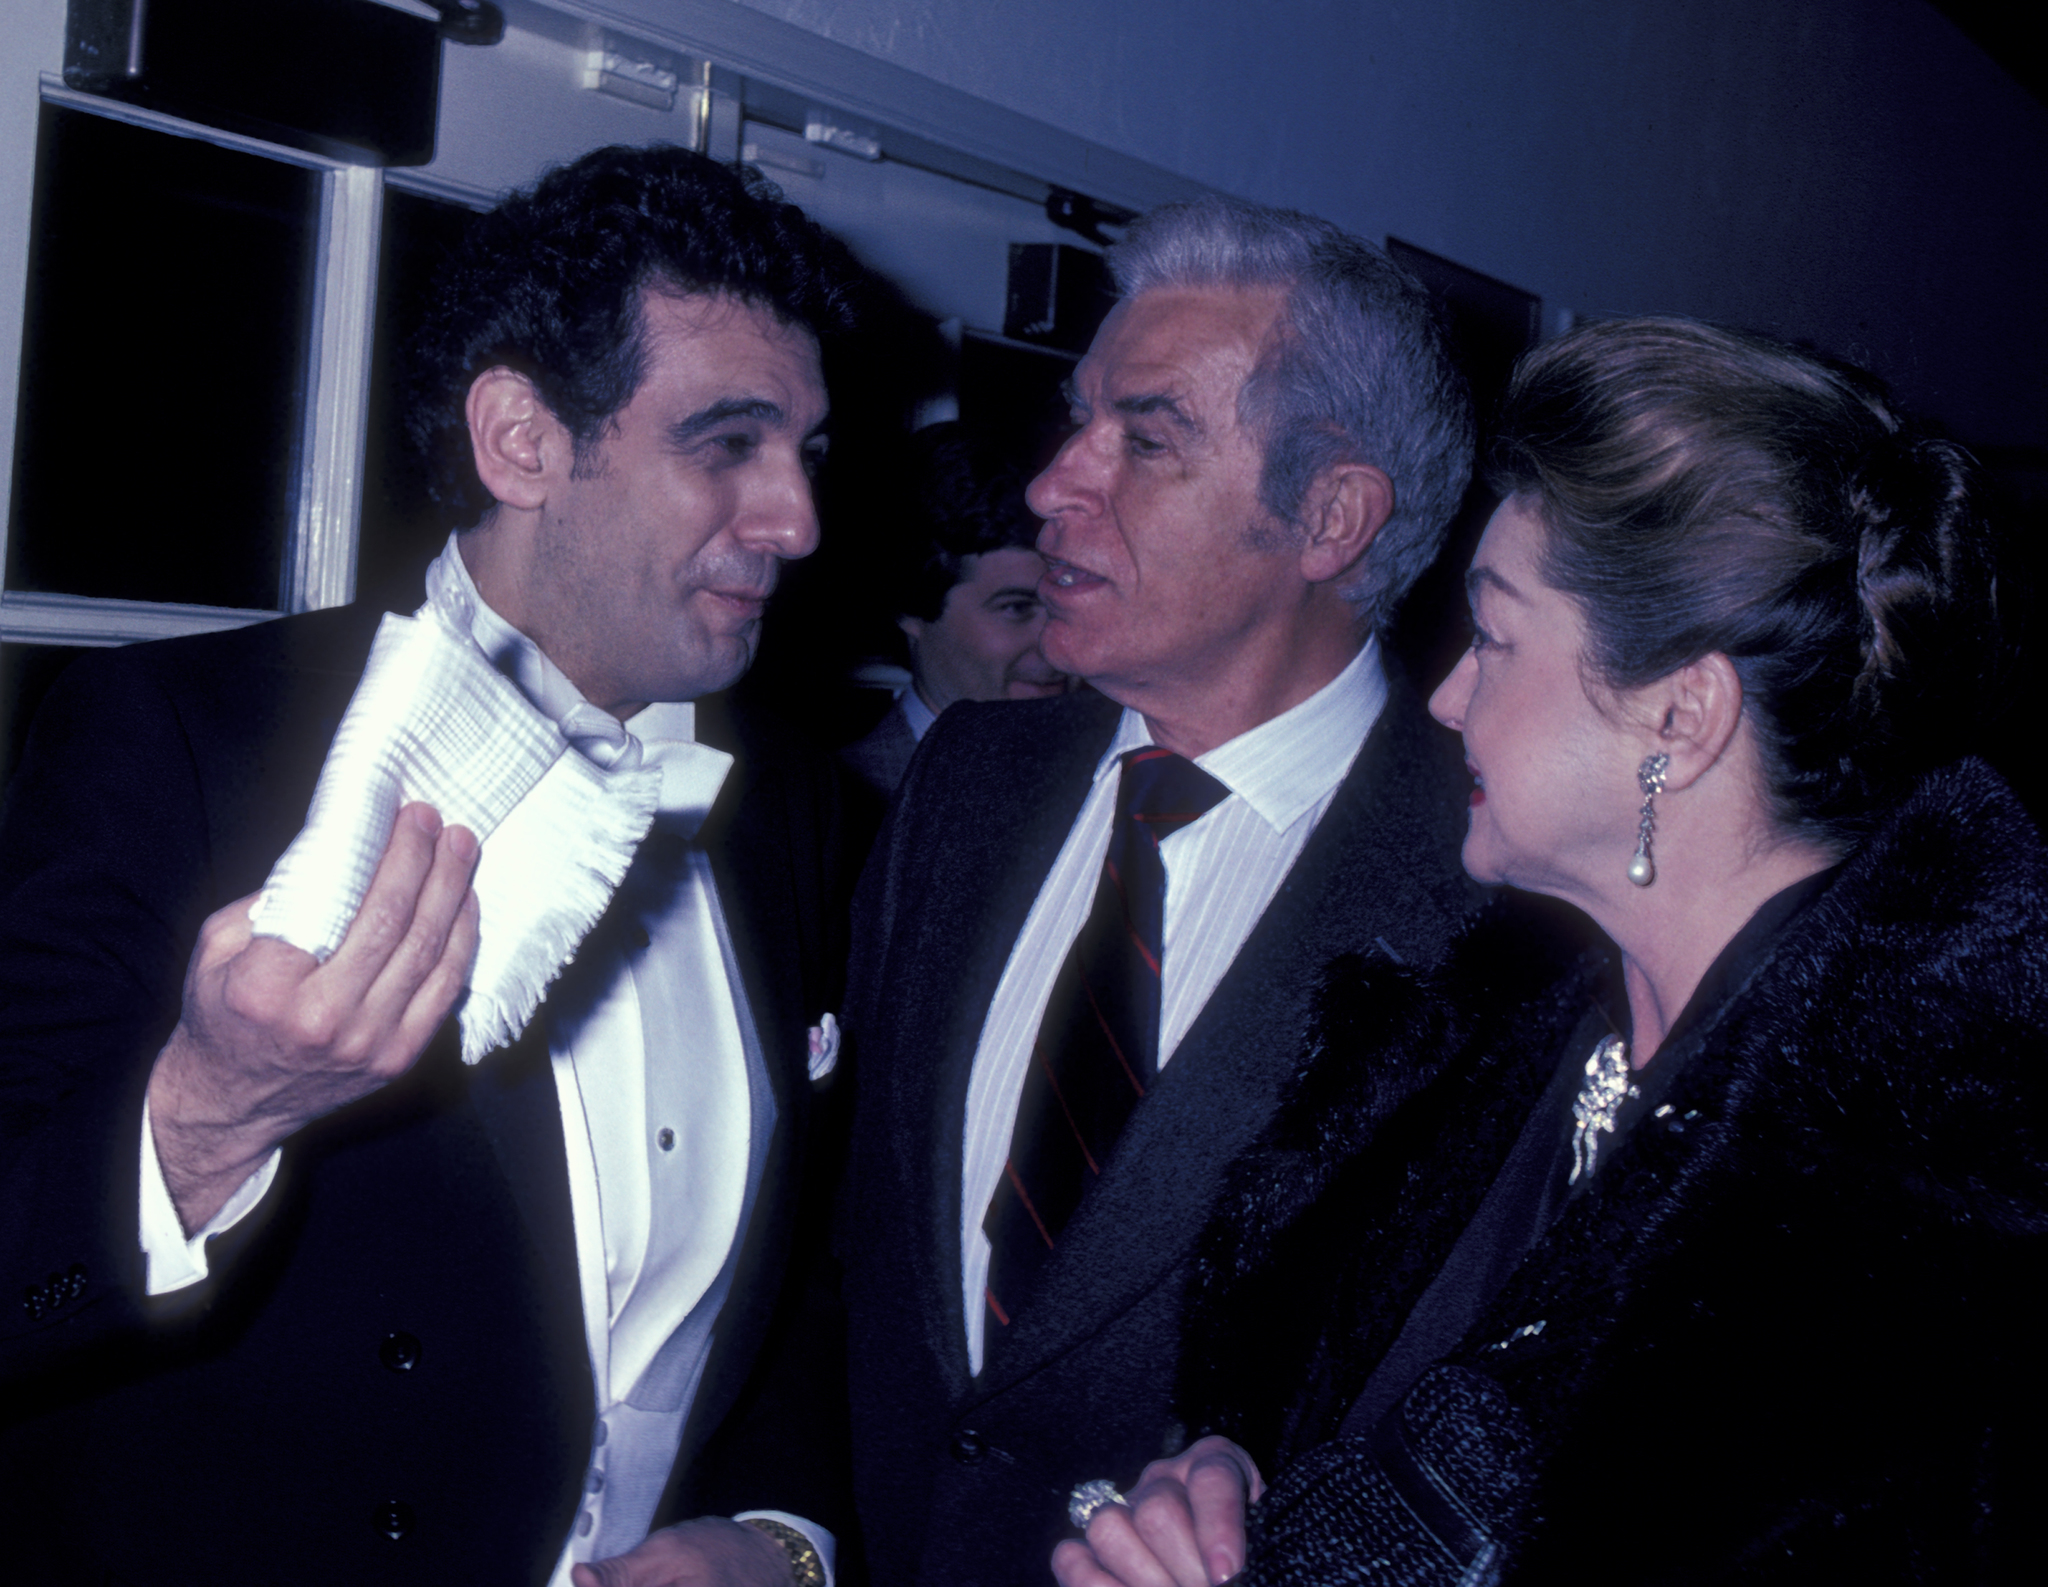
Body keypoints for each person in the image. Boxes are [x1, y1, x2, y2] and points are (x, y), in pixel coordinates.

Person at [1056, 317, 2046, 1586]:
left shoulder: (1910, 1236)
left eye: (1496, 636)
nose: (1446, 694)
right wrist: (1242, 1474)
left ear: (1677, 719)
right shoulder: (1486, 1038)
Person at [0, 145, 871, 1587]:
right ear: (520, 441)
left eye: (807, 451)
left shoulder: (797, 806)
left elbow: (805, 1279)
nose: (798, 519)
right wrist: (207, 1112)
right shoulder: (178, 739)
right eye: (728, 442)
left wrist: (778, 1536)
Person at [838, 195, 1485, 1585]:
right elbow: (845, 1255)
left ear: (1330, 515)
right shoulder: (969, 780)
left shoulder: (1499, 904)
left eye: (1146, 436)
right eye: (1082, 421)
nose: (1054, 483)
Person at [840, 422, 1068, 796]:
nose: (1057, 644)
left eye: (1063, 601)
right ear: (911, 607)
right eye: (1017, 607)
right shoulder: (843, 810)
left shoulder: (1109, 783)